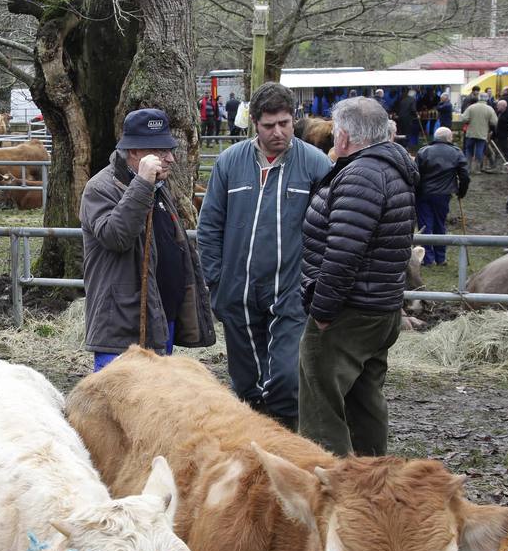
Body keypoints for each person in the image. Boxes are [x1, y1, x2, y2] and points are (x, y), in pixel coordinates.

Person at [198, 83, 331, 429]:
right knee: (244, 381)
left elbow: (328, 230)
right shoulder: (230, 162)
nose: (278, 132)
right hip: (238, 290)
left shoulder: (314, 164)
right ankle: (251, 443)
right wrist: (215, 280)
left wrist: (315, 282)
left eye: (285, 123)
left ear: (293, 119)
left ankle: (285, 439)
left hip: (290, 289)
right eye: (269, 125)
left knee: (287, 377)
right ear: (254, 123)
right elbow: (210, 224)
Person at [297, 97, 416, 457]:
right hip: (381, 307)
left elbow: (344, 252)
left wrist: (323, 310)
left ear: (345, 136)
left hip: (350, 311)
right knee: (365, 400)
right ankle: (372, 479)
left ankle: (327, 483)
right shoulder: (391, 168)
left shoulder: (362, 175)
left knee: (320, 403)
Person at [80, 108, 214, 371]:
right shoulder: (101, 188)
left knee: (156, 402)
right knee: (117, 401)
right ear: (134, 152)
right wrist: (142, 183)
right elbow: (115, 236)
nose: (171, 159)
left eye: (170, 150)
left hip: (161, 316)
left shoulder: (160, 188)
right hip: (122, 324)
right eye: (161, 151)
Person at [415, 127, 470, 266]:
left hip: (424, 194)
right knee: (440, 224)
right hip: (443, 194)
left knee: (425, 225)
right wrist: (461, 192)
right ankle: (440, 258)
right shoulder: (456, 153)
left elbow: (415, 174)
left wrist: (415, 190)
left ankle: (427, 258)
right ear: (449, 138)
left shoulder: (424, 151)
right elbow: (464, 176)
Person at [461, 96, 497, 172]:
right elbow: (494, 122)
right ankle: (477, 169)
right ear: (486, 100)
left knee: (468, 150)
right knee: (479, 150)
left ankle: (468, 168)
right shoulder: (489, 109)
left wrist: (469, 121)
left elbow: (463, 118)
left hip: (471, 132)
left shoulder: (471, 107)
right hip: (482, 133)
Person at [493, 99, 508, 165]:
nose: (497, 107)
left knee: (506, 151)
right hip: (499, 135)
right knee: (498, 151)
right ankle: (497, 166)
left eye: (498, 105)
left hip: (506, 136)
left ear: (504, 106)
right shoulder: (499, 113)